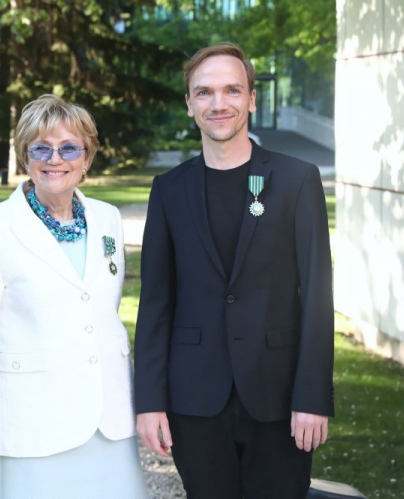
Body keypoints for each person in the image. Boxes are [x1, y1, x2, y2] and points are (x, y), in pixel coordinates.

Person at [134, 43, 334, 499]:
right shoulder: (169, 189)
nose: (218, 103)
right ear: (189, 104)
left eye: (232, 90)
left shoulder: (297, 179)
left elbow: (318, 296)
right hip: (194, 401)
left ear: (251, 99)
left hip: (280, 400)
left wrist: (312, 398)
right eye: (204, 92)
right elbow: (156, 303)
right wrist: (149, 403)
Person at [0, 94, 148, 498]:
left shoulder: (108, 218)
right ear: (26, 157)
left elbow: (103, 311)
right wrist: (7, 408)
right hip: (33, 423)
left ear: (87, 158)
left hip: (109, 420)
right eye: (41, 148)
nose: (54, 159)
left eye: (69, 148)